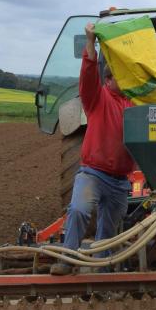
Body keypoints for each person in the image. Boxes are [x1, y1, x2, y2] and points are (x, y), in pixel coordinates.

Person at [50, 22, 135, 276]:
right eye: (121, 74)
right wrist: (90, 43)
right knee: (78, 210)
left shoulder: (133, 105)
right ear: (108, 79)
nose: (126, 79)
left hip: (120, 181)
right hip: (93, 174)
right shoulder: (97, 98)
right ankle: (67, 259)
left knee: (108, 230)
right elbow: (88, 75)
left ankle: (100, 272)